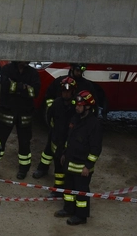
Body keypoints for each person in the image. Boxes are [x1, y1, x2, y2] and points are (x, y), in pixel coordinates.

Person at [56, 90, 103, 225]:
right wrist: (64, 153)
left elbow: (96, 149)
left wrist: (88, 166)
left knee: (81, 192)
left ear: (87, 107)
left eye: (79, 105)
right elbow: (69, 138)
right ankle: (68, 208)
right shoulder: (75, 118)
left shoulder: (94, 124)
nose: (76, 107)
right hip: (70, 162)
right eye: (76, 105)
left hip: (82, 167)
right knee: (69, 189)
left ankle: (81, 216)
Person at [0, 61, 40, 180]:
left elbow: (35, 92)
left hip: (24, 115)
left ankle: (23, 168)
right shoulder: (7, 70)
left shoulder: (33, 73)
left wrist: (15, 86)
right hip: (7, 113)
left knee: (25, 143)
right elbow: (5, 87)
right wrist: (24, 87)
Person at [35, 76, 77, 193]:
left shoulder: (76, 107)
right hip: (57, 139)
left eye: (68, 92)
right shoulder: (57, 103)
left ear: (73, 92)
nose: (66, 94)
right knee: (58, 167)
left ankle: (67, 189)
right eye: (64, 91)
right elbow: (50, 118)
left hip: (70, 143)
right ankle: (57, 190)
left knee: (68, 169)